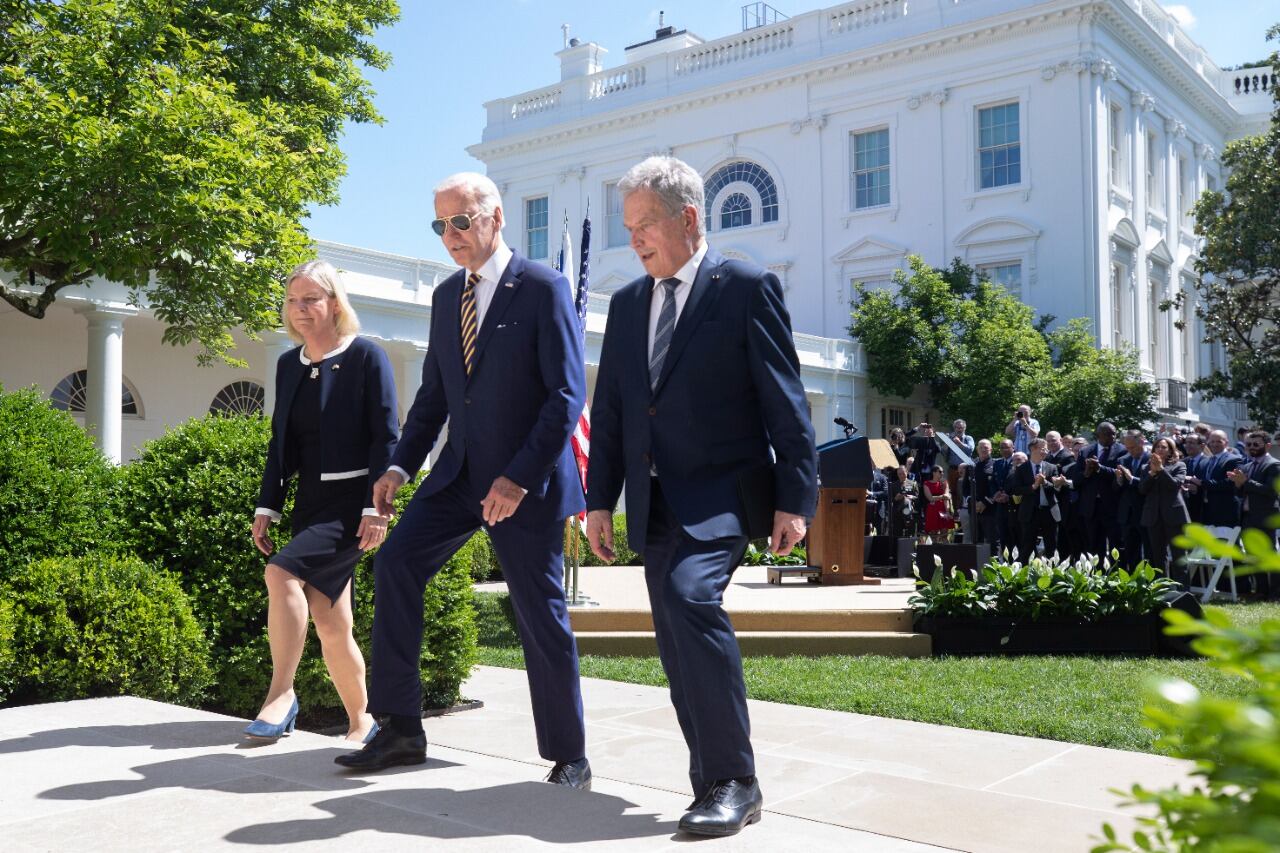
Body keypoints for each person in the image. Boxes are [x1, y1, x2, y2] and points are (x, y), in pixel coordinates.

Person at [584, 156, 817, 837]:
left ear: (687, 218)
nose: (635, 241)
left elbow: (786, 401)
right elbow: (618, 411)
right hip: (654, 503)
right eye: (628, 229)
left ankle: (736, 780)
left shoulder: (745, 287)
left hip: (723, 494)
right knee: (676, 640)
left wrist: (794, 500)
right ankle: (709, 780)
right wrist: (601, 500)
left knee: (691, 596)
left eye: (644, 225)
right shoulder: (628, 304)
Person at [335, 173, 592, 790]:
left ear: (495, 218)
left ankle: (569, 755)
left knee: (539, 612)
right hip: (458, 476)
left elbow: (564, 396)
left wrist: (517, 480)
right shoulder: (448, 294)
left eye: (461, 221)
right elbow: (434, 398)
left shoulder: (544, 287)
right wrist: (399, 466)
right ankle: (401, 729)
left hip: (523, 485)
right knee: (396, 564)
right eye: (440, 225)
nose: (450, 235)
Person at [249, 260, 399, 743]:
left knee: (281, 572)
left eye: (311, 299)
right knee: (332, 622)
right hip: (309, 502)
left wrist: (378, 509)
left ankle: (281, 694)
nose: (300, 310)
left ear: (334, 303)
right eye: (293, 300)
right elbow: (279, 443)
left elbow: (386, 438)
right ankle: (363, 722)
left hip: (353, 506)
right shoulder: (288, 366)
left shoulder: (366, 357)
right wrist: (266, 507)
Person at [1227, 430, 1280, 598]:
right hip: (1248, 517)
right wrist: (1237, 483)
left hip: (1265, 518)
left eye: (1256, 444)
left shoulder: (1274, 465)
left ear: (1268, 445)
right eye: (1249, 444)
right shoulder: (1247, 466)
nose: (1251, 447)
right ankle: (1261, 591)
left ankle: (1275, 593)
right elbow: (1243, 491)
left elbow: (1271, 491)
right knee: (1252, 555)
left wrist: (1246, 482)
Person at [1071, 422, 1127, 560]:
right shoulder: (1085, 451)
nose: (1113, 436)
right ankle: (1097, 577)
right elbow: (1075, 479)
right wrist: (1086, 473)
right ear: (1098, 435)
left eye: (1114, 433)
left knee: (1116, 545)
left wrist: (1099, 468)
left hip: (1112, 506)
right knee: (1094, 546)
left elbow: (1121, 474)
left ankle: (1117, 577)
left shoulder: (1122, 451)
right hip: (1091, 506)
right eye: (1108, 434)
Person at [1138, 436, 1190, 585]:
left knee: (1179, 554)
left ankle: (1183, 589)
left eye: (1164, 447)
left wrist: (1160, 470)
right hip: (1153, 516)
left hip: (1174, 515)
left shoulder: (1179, 465)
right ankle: (1162, 587)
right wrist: (1152, 474)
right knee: (1158, 555)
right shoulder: (1145, 468)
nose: (1160, 449)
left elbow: (1174, 485)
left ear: (1170, 451)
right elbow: (1142, 489)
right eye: (1157, 447)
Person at [1009, 438, 1064, 562]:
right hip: (1029, 513)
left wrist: (1044, 482)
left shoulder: (1051, 467)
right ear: (1033, 449)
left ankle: (1053, 573)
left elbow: (1056, 489)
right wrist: (1033, 486)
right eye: (1043, 448)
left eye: (1046, 449)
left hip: (1048, 512)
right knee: (1027, 546)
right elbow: (1016, 489)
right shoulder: (1022, 468)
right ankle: (1024, 575)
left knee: (1051, 546)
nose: (1046, 451)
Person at [1114, 429, 1150, 570]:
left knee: (1149, 551)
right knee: (1131, 552)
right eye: (1127, 448)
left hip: (1145, 511)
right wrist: (1119, 480)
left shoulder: (1152, 459)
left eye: (1133, 447)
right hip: (1127, 514)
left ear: (1141, 441)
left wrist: (1131, 478)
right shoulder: (1123, 460)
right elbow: (1116, 489)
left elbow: (1149, 485)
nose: (1130, 451)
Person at [1201, 430, 1243, 527]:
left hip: (1226, 511)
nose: (1215, 444)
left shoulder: (1234, 459)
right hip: (1208, 511)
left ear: (1226, 443)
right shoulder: (1208, 460)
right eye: (1212, 441)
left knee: (1228, 541)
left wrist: (1201, 483)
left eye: (1219, 441)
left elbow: (1229, 483)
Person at [922, 465, 955, 541]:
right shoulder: (926, 483)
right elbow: (930, 498)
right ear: (934, 473)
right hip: (933, 511)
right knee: (933, 534)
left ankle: (946, 552)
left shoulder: (944, 482)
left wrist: (947, 511)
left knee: (944, 534)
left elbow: (946, 497)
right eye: (940, 472)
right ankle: (934, 551)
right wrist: (942, 496)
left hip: (943, 509)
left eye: (943, 472)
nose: (942, 473)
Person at [888, 465, 920, 540]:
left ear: (907, 472)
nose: (901, 475)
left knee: (909, 536)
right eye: (899, 474)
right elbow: (890, 500)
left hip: (910, 512)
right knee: (897, 535)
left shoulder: (913, 484)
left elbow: (917, 497)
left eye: (903, 473)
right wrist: (896, 498)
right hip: (897, 513)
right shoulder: (893, 485)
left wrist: (911, 497)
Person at [944, 419, 975, 495]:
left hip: (965, 470)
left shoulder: (968, 438)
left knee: (964, 491)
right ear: (954, 428)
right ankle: (956, 507)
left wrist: (959, 443)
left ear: (964, 428)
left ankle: (965, 506)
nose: (959, 429)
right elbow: (943, 452)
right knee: (953, 492)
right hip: (952, 469)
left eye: (961, 427)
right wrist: (946, 442)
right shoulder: (950, 438)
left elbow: (970, 450)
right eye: (957, 428)